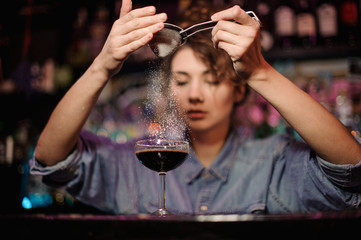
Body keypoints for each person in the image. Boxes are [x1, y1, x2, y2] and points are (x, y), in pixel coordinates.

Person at [30, 0, 361, 215]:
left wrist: (259, 71)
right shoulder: (135, 166)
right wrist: (102, 66)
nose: (195, 94)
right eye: (182, 80)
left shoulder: (273, 164)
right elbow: (52, 160)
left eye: (212, 80)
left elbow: (351, 170)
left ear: (238, 89)